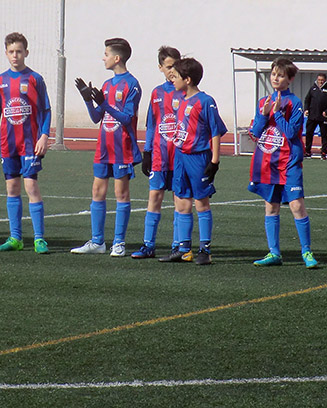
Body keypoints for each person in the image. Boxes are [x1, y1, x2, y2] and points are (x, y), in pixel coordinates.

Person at [72, 38, 142, 257]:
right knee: (97, 191)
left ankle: (119, 243)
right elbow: (96, 118)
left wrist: (104, 104)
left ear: (117, 58)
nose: (103, 58)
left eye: (105, 54)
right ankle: (97, 242)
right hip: (103, 147)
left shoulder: (132, 84)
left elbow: (126, 118)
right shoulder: (106, 85)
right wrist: (87, 100)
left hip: (122, 147)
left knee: (121, 193)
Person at [248, 58, 318, 268]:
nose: (275, 78)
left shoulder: (295, 103)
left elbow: (290, 133)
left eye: (280, 75)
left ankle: (306, 251)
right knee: (271, 206)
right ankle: (274, 253)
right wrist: (264, 114)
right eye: (273, 74)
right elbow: (255, 133)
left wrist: (277, 113)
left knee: (297, 205)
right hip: (268, 161)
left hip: (289, 162)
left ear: (290, 79)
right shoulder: (264, 101)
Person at [159, 57, 226, 265]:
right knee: (181, 202)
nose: (173, 80)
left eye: (176, 76)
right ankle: (183, 249)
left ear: (187, 79)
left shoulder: (206, 101)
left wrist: (214, 161)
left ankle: (205, 250)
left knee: (202, 203)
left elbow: (216, 131)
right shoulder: (179, 99)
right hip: (180, 156)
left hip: (199, 157)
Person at [0, 32, 51, 254]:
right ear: (6, 53)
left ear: (26, 52)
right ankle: (15, 238)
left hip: (30, 142)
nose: (15, 55)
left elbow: (45, 109)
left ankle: (39, 239)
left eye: (19, 51)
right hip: (8, 143)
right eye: (11, 52)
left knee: (31, 186)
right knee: (12, 188)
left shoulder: (35, 79)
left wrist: (44, 135)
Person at [132, 46, 181, 259]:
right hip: (160, 155)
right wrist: (147, 152)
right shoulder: (157, 93)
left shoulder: (186, 91)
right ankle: (148, 245)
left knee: (180, 200)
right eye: (168, 67)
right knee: (154, 197)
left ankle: (178, 245)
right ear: (160, 67)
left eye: (175, 66)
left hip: (180, 156)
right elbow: (152, 124)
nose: (172, 71)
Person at [303, 73, 327, 159]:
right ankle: (308, 151)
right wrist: (306, 109)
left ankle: (323, 152)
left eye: (322, 80)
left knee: (324, 135)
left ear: (325, 80)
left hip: (323, 117)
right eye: (319, 80)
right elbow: (307, 100)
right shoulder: (313, 89)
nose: (320, 82)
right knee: (309, 133)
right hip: (312, 116)